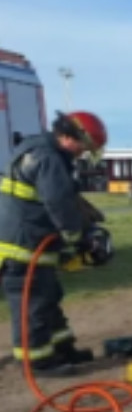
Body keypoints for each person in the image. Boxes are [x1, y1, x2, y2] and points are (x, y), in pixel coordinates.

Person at [0, 111, 108, 373]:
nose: (83, 153)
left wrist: (89, 222)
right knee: (33, 304)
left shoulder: (43, 151)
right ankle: (38, 362)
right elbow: (59, 204)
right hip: (24, 246)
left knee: (48, 298)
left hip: (33, 244)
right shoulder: (48, 158)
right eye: (85, 146)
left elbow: (67, 199)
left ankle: (62, 349)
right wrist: (79, 238)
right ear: (72, 136)